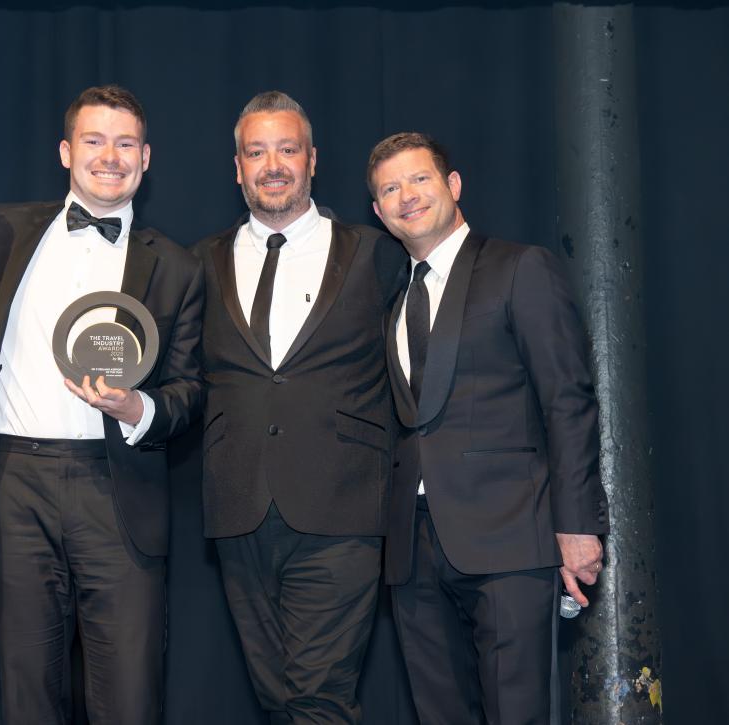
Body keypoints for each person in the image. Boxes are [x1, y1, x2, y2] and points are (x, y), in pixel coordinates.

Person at [0, 85, 203, 724]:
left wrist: (138, 410)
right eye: (94, 141)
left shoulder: (177, 267)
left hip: (117, 489)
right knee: (26, 693)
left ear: (146, 158)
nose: (110, 156)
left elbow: (190, 390)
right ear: (66, 151)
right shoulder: (2, 230)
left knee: (129, 695)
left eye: (126, 144)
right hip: (13, 483)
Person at [367, 131, 610, 724]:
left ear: (453, 185)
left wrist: (577, 526)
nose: (406, 196)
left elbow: (568, 401)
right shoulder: (393, 297)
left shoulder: (520, 268)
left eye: (419, 179)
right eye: (390, 189)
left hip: (509, 538)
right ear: (377, 211)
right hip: (413, 548)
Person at [194, 91, 406, 724]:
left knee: (318, 697)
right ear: (237, 167)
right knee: (279, 699)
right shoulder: (199, 261)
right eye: (256, 152)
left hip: (342, 507)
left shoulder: (375, 252)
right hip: (239, 508)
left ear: (312, 160)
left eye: (287, 149)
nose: (273, 165)